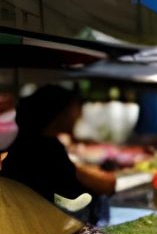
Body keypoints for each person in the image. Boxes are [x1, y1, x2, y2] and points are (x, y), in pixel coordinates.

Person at [0, 85, 115, 219]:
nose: (79, 114)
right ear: (62, 112)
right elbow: (78, 190)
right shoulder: (45, 150)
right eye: (76, 108)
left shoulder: (28, 143)